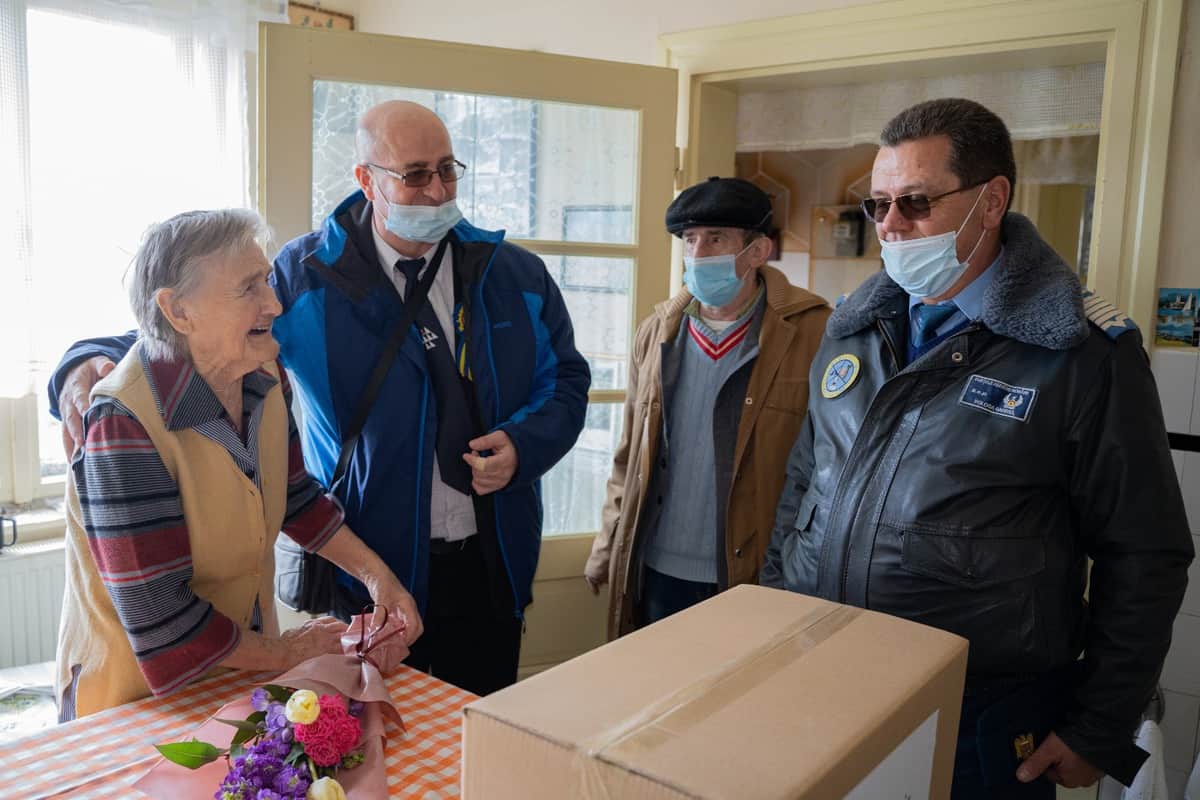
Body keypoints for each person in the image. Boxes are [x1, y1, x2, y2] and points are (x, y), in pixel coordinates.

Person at [50, 101, 590, 696]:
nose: (438, 192)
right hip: (367, 567)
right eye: (415, 175)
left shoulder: (514, 273)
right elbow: (183, 335)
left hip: (492, 557)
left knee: (483, 731)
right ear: (367, 179)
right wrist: (79, 363)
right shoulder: (305, 275)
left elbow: (566, 379)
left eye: (448, 170)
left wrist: (525, 445)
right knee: (380, 737)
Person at [760, 98, 1194, 797]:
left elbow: (1145, 553)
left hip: (981, 715)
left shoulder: (1081, 355)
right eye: (879, 205)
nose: (892, 228)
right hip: (825, 676)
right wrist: (774, 624)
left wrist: (1097, 725)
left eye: (916, 203)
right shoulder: (852, 331)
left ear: (991, 202)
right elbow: (804, 488)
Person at [56, 209, 420, 720]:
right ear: (178, 311)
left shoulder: (264, 373)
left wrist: (380, 578)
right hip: (134, 703)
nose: (274, 302)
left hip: (239, 675)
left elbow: (296, 499)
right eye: (249, 288)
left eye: (267, 280)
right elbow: (164, 620)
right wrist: (287, 651)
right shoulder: (123, 423)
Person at [584, 177, 830, 637]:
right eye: (690, 240)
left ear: (758, 251)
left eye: (716, 239)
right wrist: (608, 545)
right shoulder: (658, 331)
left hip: (752, 574)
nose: (698, 254)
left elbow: (826, 468)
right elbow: (628, 453)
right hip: (656, 568)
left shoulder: (813, 331)